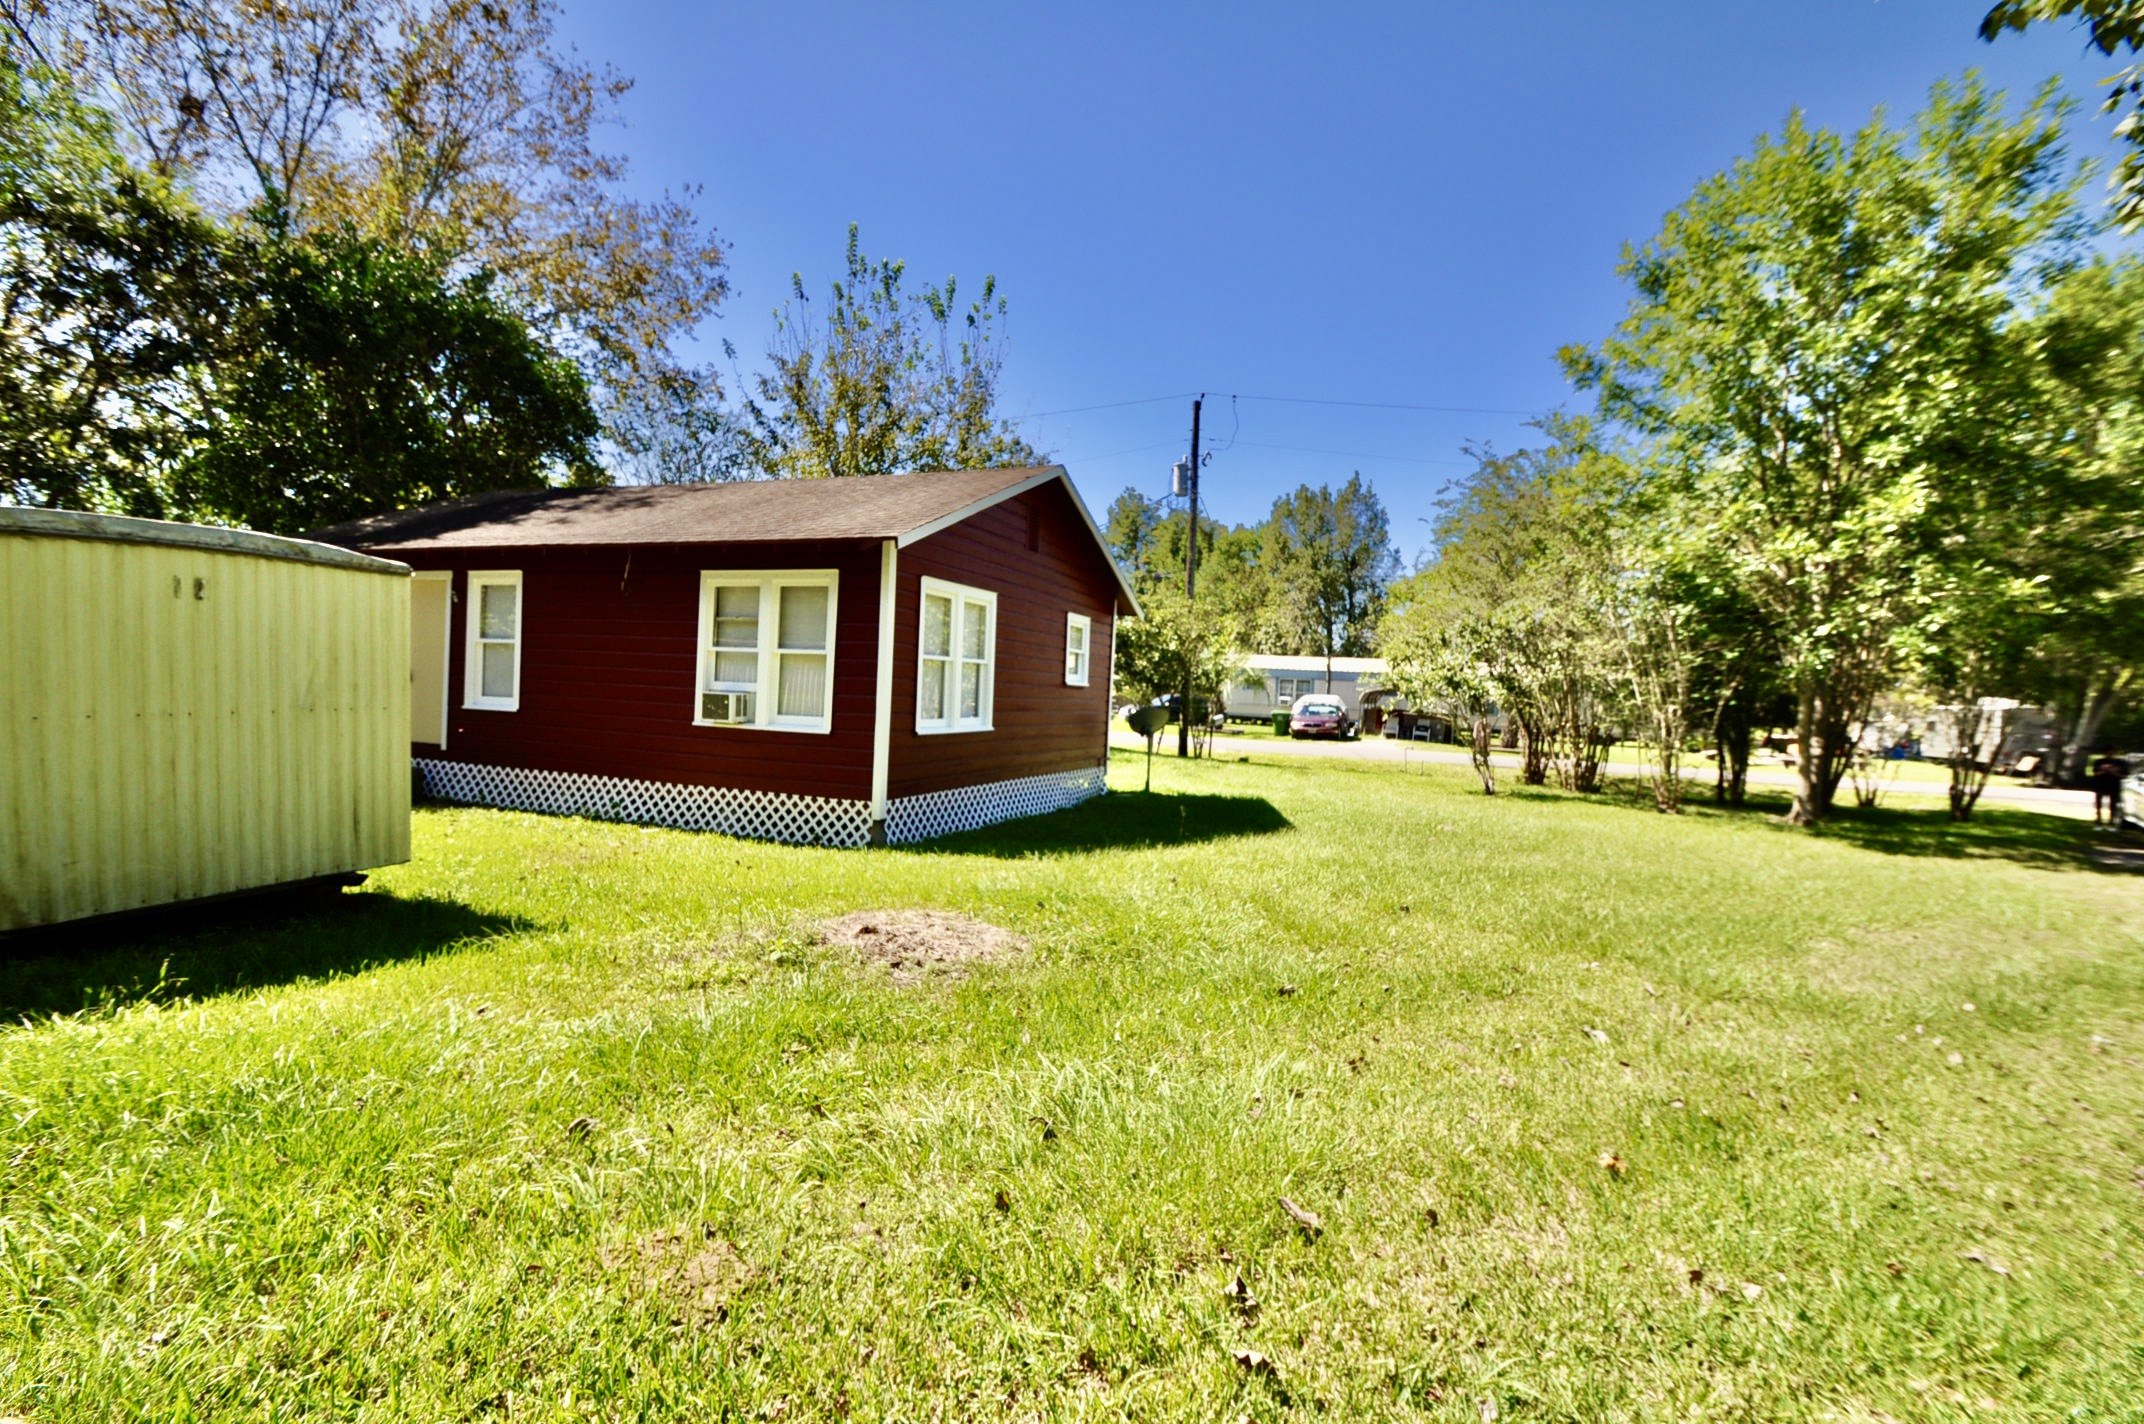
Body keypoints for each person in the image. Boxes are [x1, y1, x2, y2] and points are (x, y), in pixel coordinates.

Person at [2090, 753, 2130, 828]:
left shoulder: (2120, 762)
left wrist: (2113, 772)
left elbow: (2125, 775)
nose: (2110, 754)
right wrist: (2104, 771)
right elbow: (2095, 773)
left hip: (2114, 786)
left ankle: (2111, 821)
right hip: (2101, 785)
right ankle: (2098, 820)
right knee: (2098, 804)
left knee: (2113, 804)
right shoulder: (2099, 762)